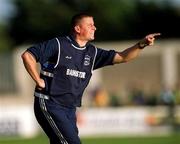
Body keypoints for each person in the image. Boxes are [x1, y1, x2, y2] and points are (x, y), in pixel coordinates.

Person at [21, 13, 160, 144]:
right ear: (77, 28)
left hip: (70, 108)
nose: (94, 27)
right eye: (90, 25)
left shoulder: (92, 52)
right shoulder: (58, 44)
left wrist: (141, 44)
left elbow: (123, 57)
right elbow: (28, 56)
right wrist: (38, 80)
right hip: (50, 103)